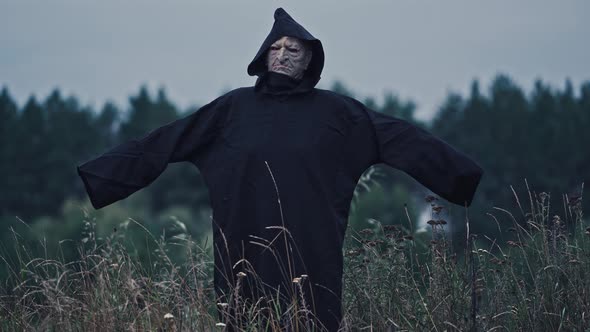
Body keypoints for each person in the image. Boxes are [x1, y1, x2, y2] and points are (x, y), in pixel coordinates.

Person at [77, 8, 483, 331]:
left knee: (313, 318)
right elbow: (166, 141)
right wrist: (102, 176)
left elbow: (401, 138)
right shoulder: (231, 110)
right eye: (277, 48)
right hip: (243, 252)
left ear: (309, 59)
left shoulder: (338, 114)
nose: (285, 55)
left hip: (313, 254)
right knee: (244, 317)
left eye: (295, 50)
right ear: (264, 55)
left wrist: (460, 177)